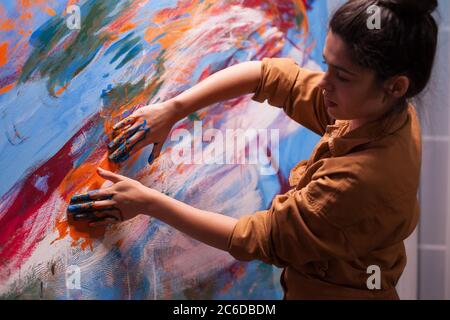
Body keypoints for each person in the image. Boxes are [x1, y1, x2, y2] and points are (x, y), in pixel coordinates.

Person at [68, 0, 439, 299]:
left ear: (395, 86)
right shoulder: (383, 112)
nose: (324, 83)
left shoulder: (360, 181)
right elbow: (269, 77)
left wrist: (149, 202)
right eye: (327, 65)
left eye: (341, 76)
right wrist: (174, 109)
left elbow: (256, 238)